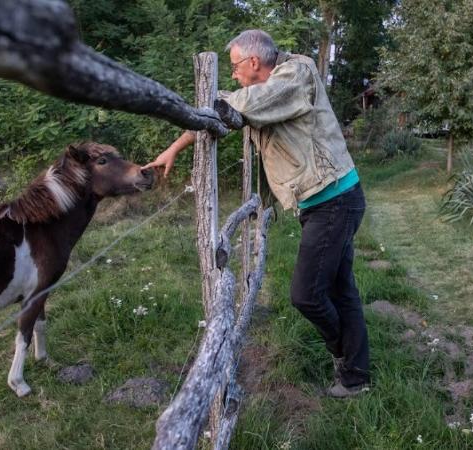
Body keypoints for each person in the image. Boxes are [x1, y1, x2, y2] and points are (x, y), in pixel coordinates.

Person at [144, 29, 369, 398]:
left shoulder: (296, 74)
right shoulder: (256, 95)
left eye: (234, 67)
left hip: (335, 200)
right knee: (342, 290)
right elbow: (219, 110)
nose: (232, 74)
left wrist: (221, 101)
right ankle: (356, 377)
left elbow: (242, 103)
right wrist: (175, 148)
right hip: (323, 202)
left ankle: (343, 355)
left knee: (307, 295)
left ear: (253, 62)